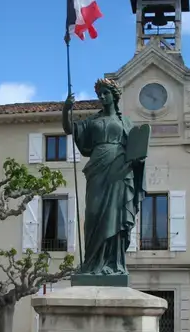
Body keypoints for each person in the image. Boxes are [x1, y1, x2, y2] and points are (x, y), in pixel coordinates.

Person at [62, 77, 146, 277]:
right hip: (97, 170)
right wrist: (66, 109)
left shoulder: (125, 122)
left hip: (120, 170)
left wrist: (137, 161)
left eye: (106, 92)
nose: (102, 96)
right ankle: (91, 264)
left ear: (114, 95)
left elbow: (136, 148)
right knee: (93, 215)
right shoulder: (93, 121)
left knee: (115, 216)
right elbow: (70, 129)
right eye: (100, 93)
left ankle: (113, 264)